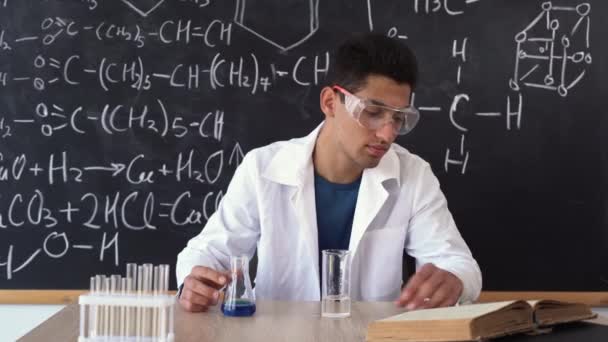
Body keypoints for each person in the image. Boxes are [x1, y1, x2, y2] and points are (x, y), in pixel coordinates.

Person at [176, 32, 482, 312]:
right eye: (373, 113)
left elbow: (457, 263)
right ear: (330, 102)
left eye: (399, 118)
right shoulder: (263, 168)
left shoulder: (413, 175)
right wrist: (194, 282)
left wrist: (454, 280)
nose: (388, 134)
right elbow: (207, 253)